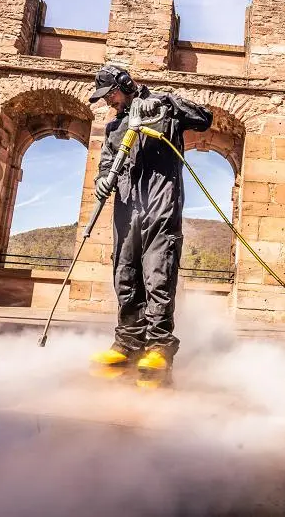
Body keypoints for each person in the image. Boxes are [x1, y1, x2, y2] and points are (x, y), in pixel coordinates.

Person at [87, 64, 213, 377]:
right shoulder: (115, 127)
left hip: (161, 203)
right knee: (125, 272)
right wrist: (102, 179)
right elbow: (106, 163)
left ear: (125, 84)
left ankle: (158, 347)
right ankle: (127, 343)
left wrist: (165, 103)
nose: (107, 101)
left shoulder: (164, 108)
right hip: (127, 208)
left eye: (110, 94)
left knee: (158, 272)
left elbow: (204, 119)